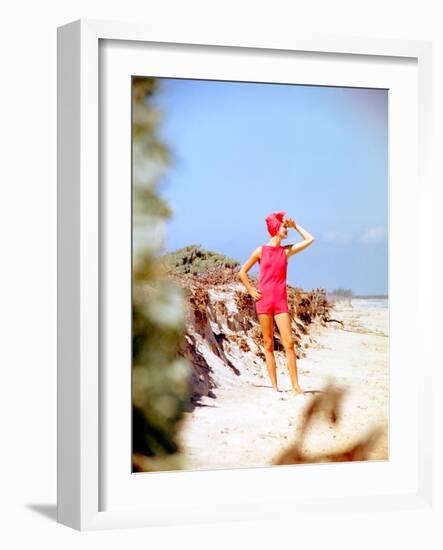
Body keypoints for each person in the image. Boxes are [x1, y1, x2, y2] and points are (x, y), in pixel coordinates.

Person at [239, 211, 315, 396]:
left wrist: (295, 226)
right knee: (268, 344)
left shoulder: (285, 251)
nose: (286, 229)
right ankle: (274, 388)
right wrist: (251, 290)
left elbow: (310, 239)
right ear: (274, 228)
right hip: (264, 301)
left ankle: (296, 387)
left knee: (289, 343)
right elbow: (242, 272)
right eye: (283, 226)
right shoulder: (260, 251)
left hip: (280, 301)